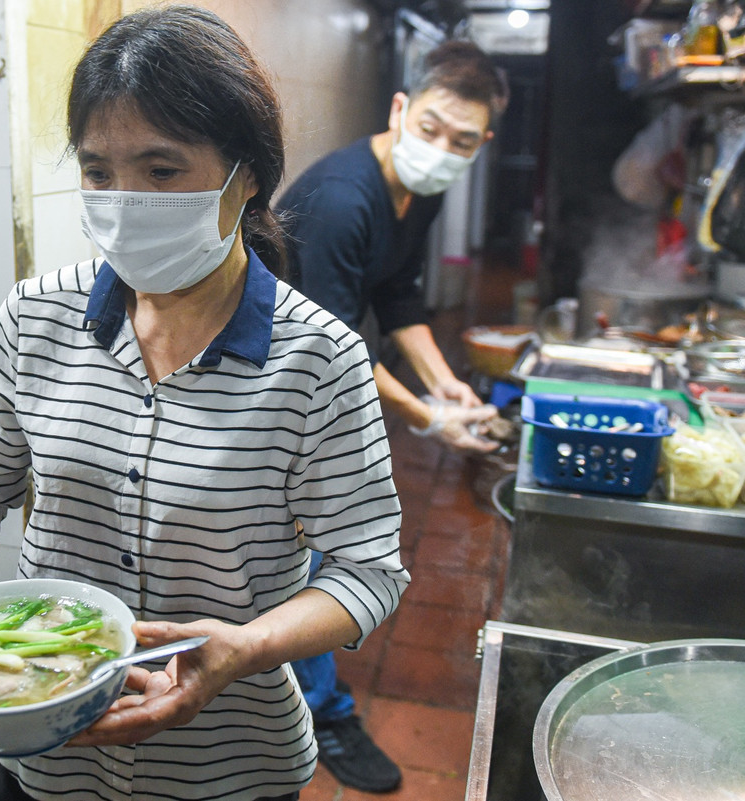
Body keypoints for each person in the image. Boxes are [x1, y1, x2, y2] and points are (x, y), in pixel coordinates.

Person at [0, 7, 407, 801]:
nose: (125, 201)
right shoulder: (32, 318)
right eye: (98, 172)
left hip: (228, 763)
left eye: (162, 172)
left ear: (248, 175)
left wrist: (250, 644)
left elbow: (368, 570)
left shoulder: (318, 357)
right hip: (45, 753)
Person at [275, 40, 508, 793]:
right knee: (304, 549)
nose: (441, 152)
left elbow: (400, 294)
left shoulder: (421, 185)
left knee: (322, 541)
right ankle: (321, 711)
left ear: (483, 143)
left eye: (463, 142)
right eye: (432, 128)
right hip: (273, 381)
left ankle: (308, 693)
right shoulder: (344, 198)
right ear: (401, 109)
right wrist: (427, 418)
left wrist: (447, 387)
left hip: (324, 373)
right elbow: (339, 342)